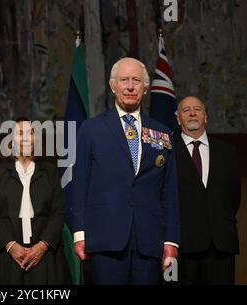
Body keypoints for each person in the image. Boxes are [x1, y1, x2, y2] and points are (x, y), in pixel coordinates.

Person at [67, 57, 180, 285]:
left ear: (145, 88)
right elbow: (79, 185)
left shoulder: (163, 133)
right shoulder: (91, 129)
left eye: (136, 80)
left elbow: (170, 191)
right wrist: (79, 234)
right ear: (113, 86)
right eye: (124, 80)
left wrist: (171, 241)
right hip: (105, 239)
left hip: (149, 242)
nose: (130, 86)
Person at [0, 118, 71, 284]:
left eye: (31, 133)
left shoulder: (50, 172)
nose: (26, 138)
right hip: (6, 256)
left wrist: (42, 246)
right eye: (20, 133)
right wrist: (10, 245)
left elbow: (58, 212)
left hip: (44, 256)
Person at [174, 96, 240, 285]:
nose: (192, 113)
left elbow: (233, 198)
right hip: (181, 247)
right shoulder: (167, 151)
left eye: (197, 109)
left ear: (206, 116)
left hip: (220, 246)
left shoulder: (227, 152)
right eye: (186, 110)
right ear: (178, 119)